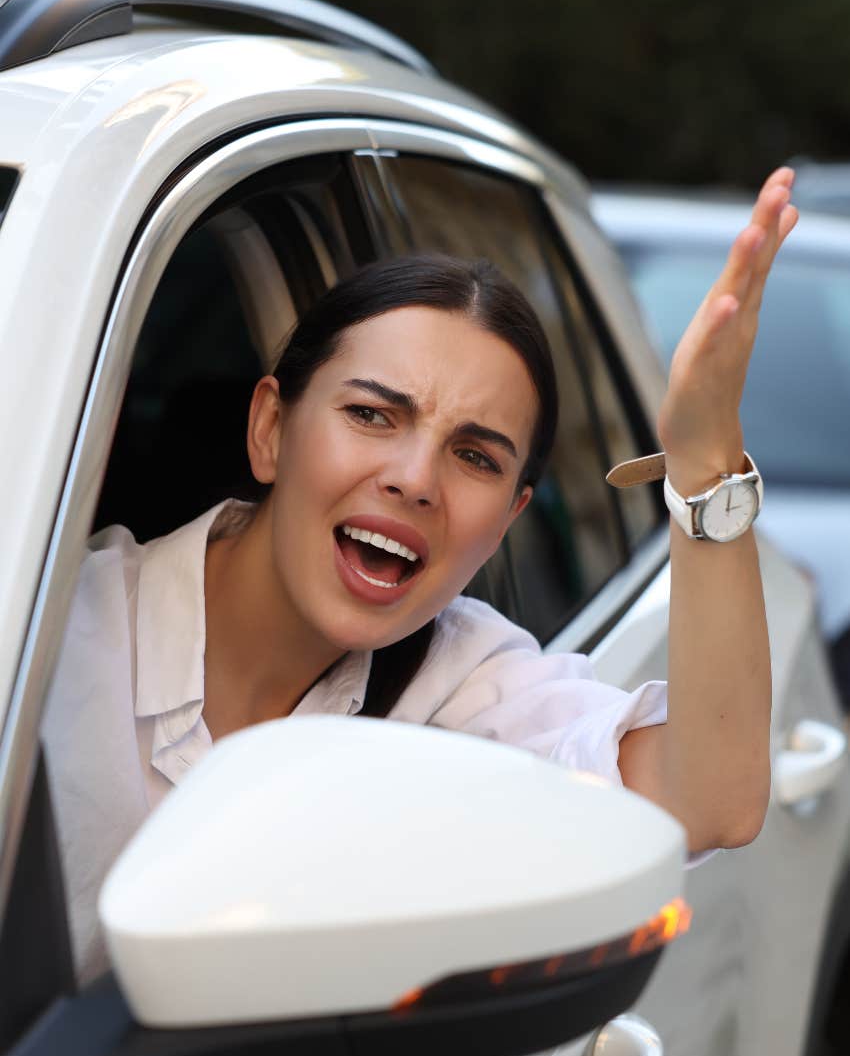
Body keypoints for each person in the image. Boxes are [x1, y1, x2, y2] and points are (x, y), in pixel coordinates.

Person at [43, 167, 797, 983]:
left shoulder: (460, 681)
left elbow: (714, 799)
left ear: (509, 521)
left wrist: (703, 461)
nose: (414, 478)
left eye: (474, 456)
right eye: (372, 414)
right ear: (269, 429)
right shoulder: (47, 638)